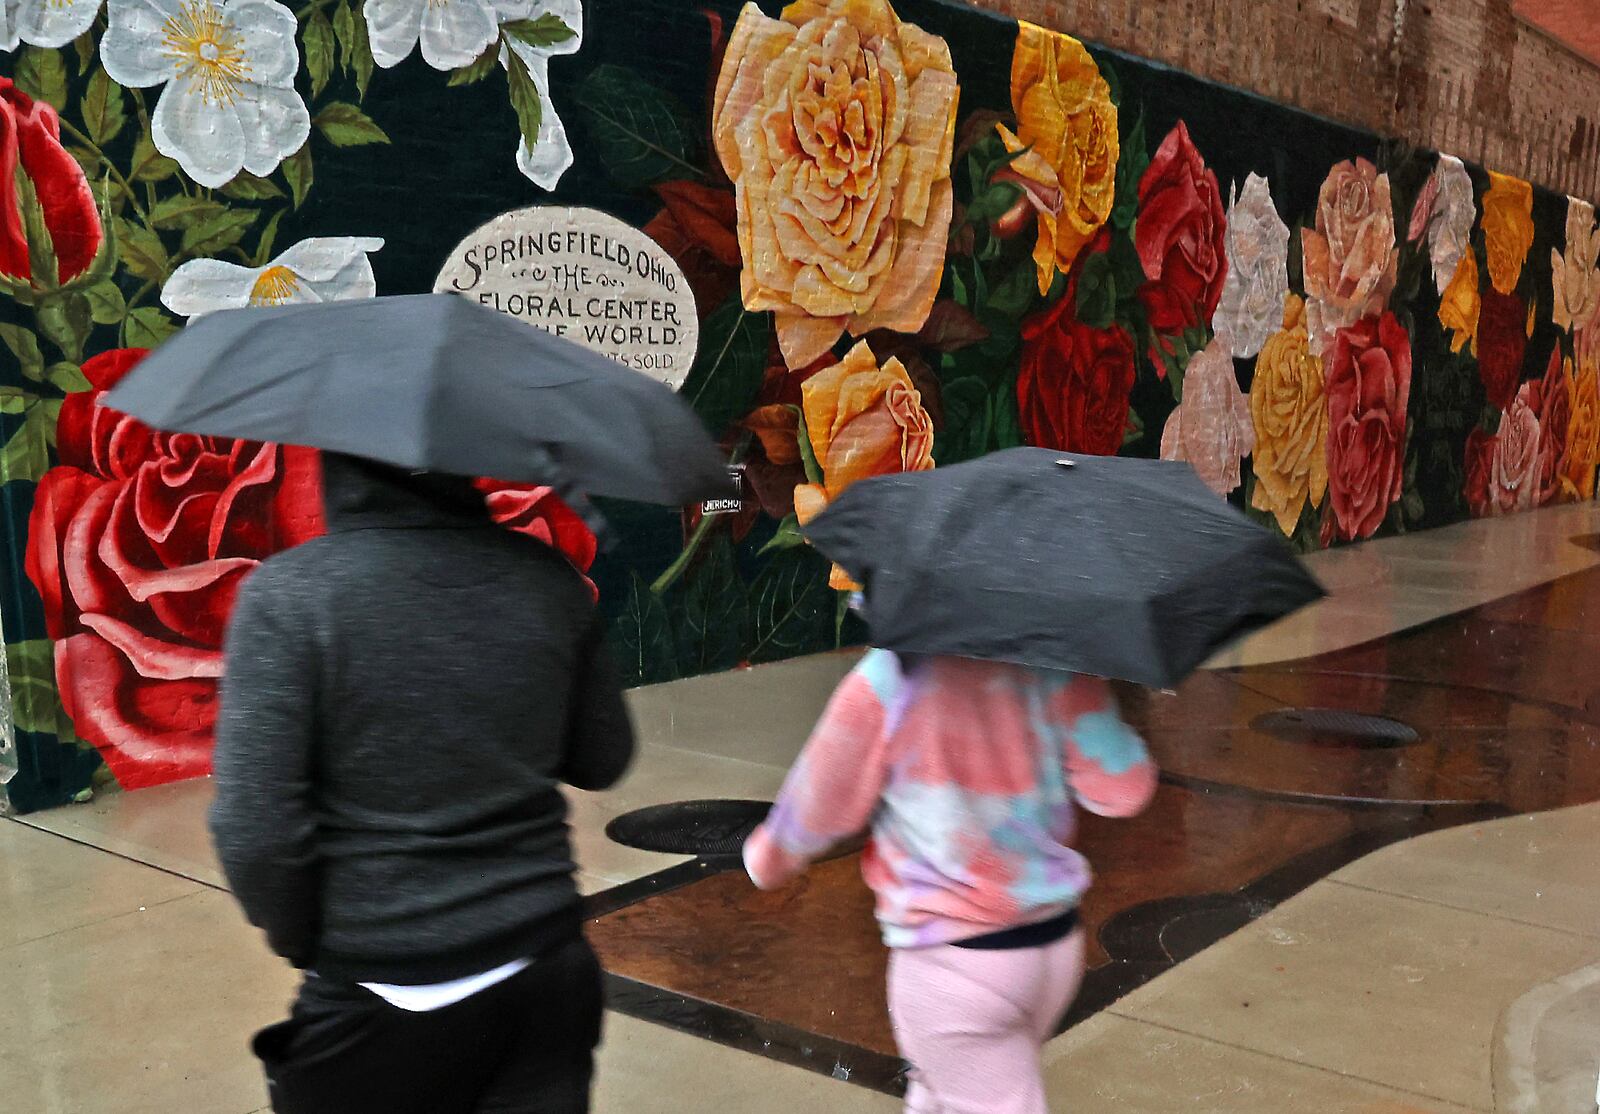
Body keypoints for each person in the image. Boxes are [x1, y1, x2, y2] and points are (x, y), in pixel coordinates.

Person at [209, 452, 635, 1114]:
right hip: (544, 969)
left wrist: (308, 940)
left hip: (379, 991)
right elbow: (602, 758)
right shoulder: (546, 581)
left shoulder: (290, 598)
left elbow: (256, 831)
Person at [743, 649, 1157, 1114]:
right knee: (942, 1088)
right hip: (1053, 949)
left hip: (950, 964)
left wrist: (768, 858)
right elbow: (1126, 790)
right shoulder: (1052, 664)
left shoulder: (887, 678)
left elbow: (820, 801)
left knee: (982, 1095)